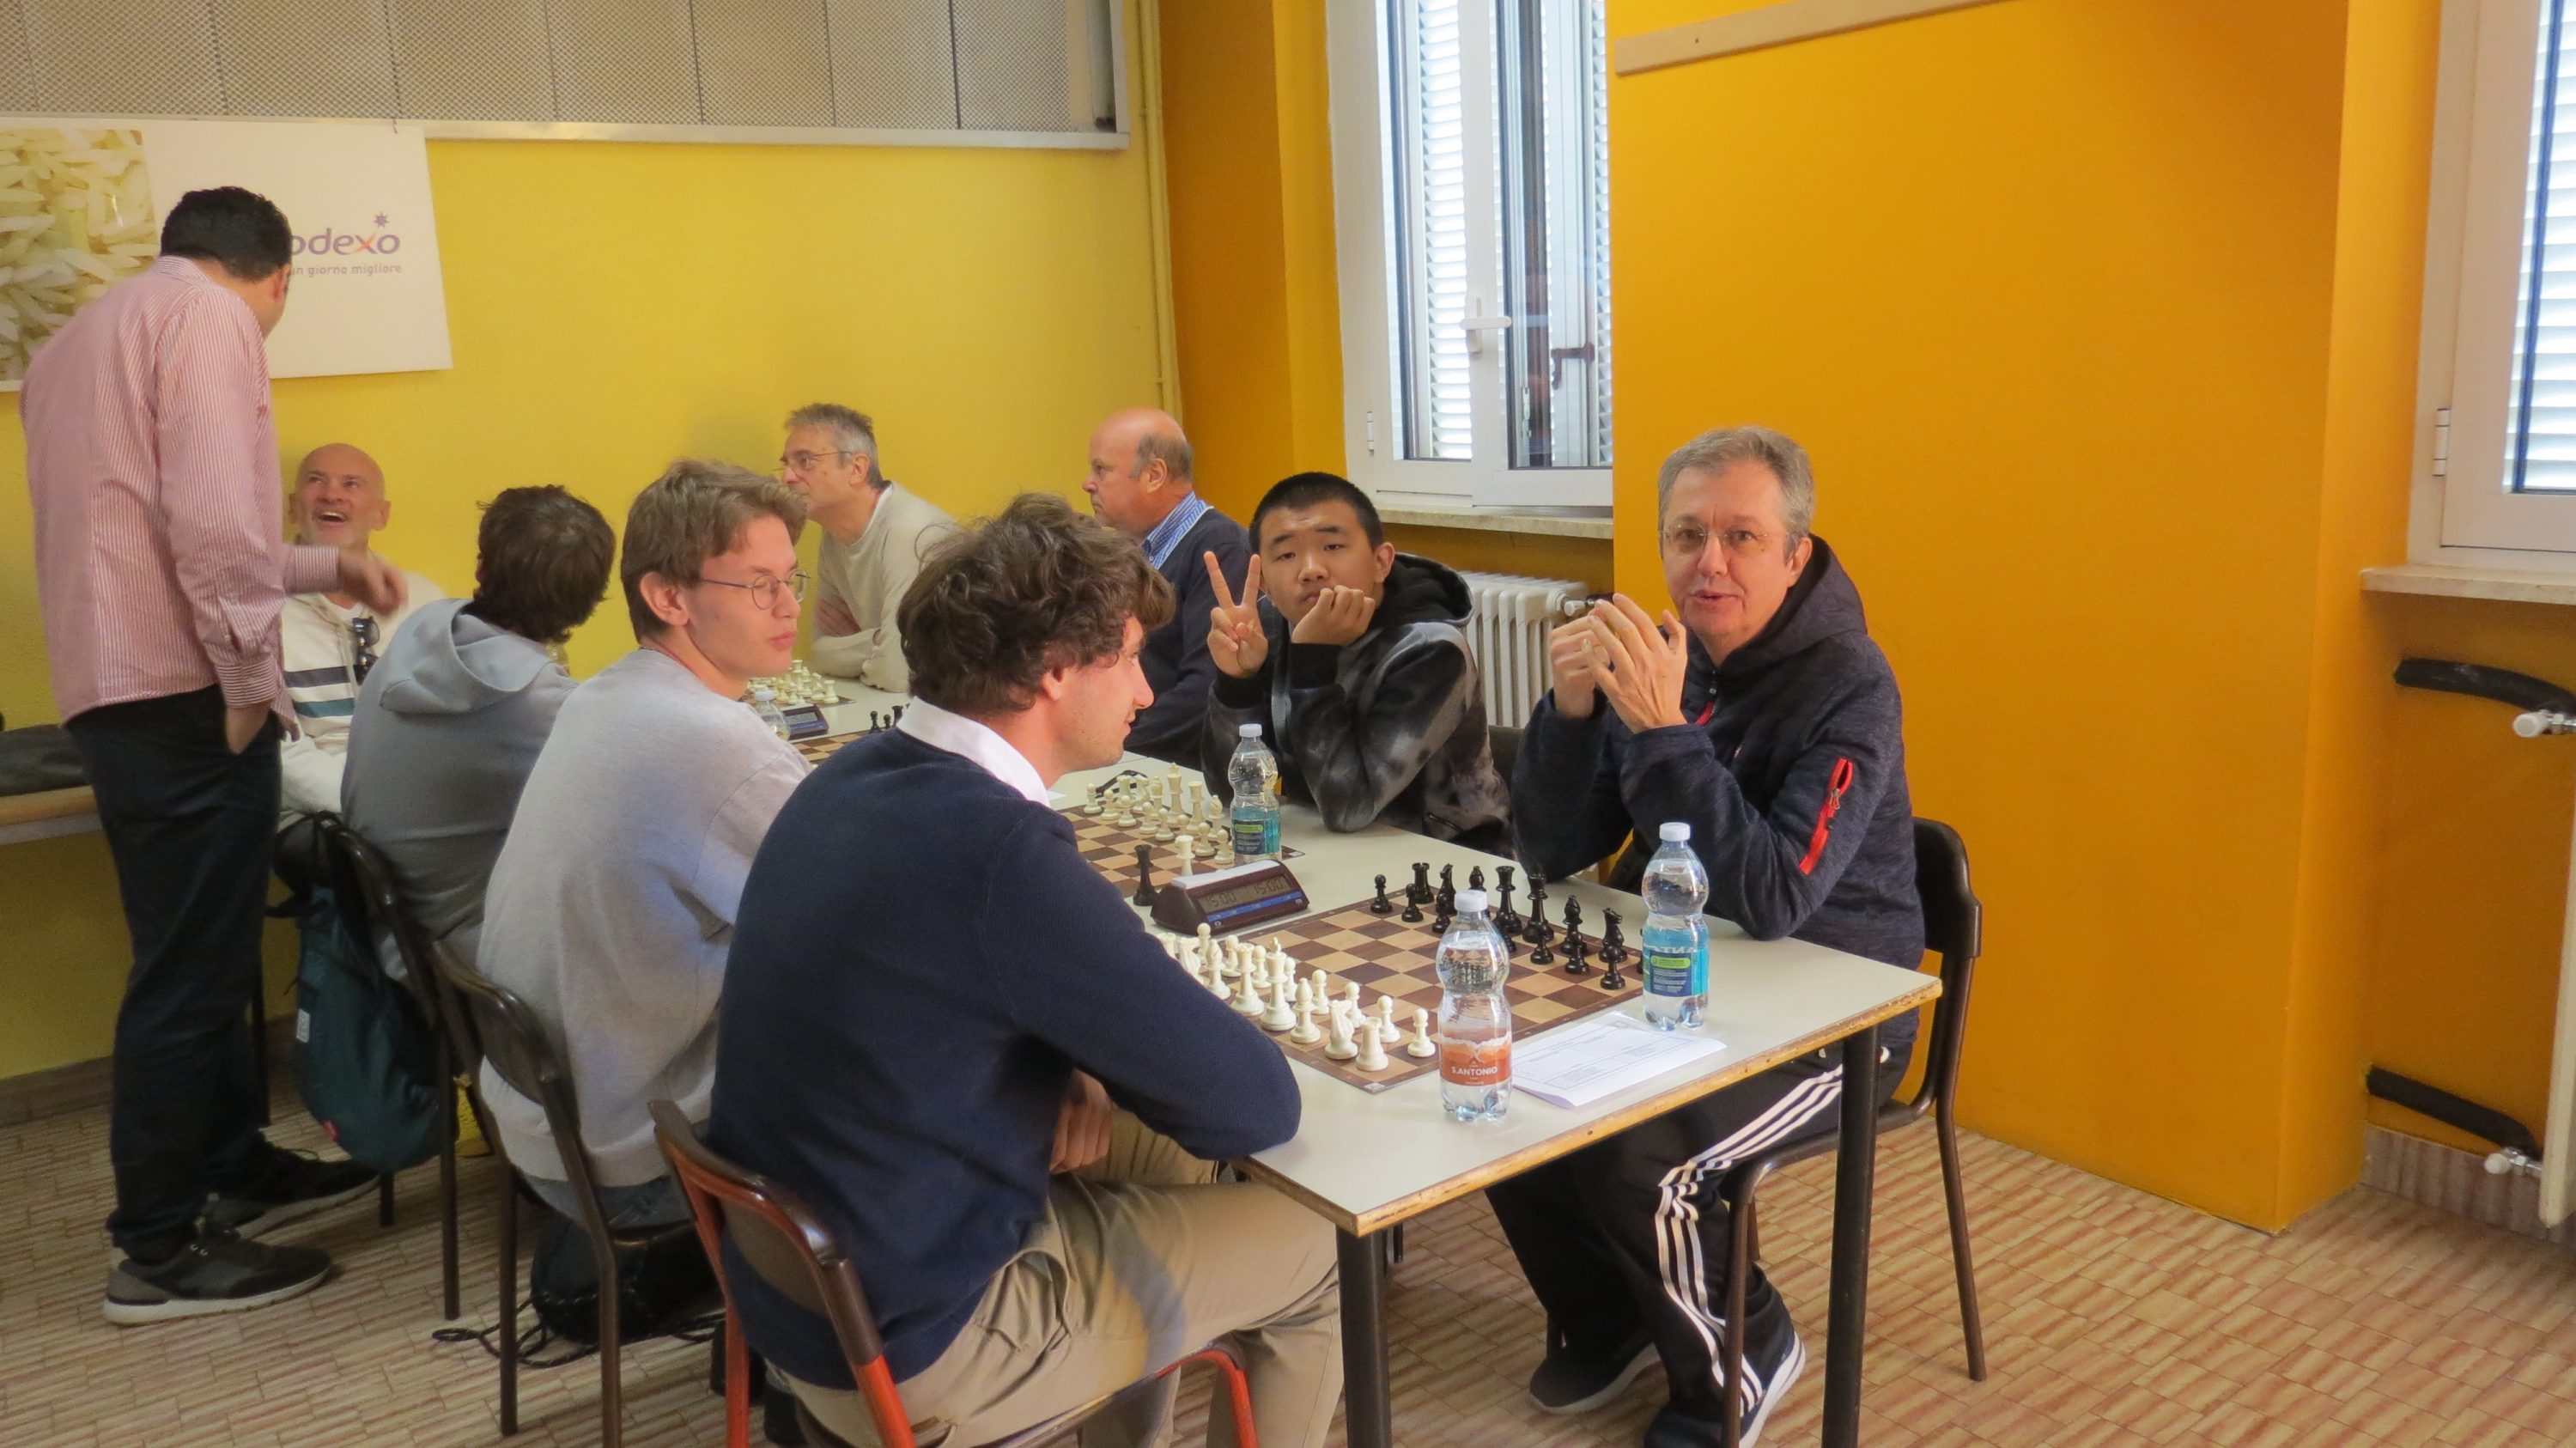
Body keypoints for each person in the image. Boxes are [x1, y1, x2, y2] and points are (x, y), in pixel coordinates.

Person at [713, 492, 1341, 1448]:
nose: (1143, 690)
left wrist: (1075, 1066)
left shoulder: (849, 777)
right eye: (1127, 659)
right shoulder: (1000, 851)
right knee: (1318, 1252)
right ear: (1053, 673)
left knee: (1168, 1156)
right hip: (924, 1345)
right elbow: (1256, 1107)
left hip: (805, 1296)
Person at [1491, 426, 1924, 1446]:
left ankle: (1743, 1353)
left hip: (1844, 1015)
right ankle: (1613, 1316)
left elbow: (1774, 897)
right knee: (1498, 1084)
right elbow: (1552, 848)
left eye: (1741, 535)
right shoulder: (1664, 661)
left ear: (1795, 555)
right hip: (1683, 981)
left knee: (1639, 1158)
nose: (1710, 562)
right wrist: (1570, 708)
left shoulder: (1852, 684)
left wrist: (1663, 732)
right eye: (1686, 535)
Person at [25, 186, 410, 1323]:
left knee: (198, 952)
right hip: (185, 693)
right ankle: (156, 1245)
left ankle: (232, 1163)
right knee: (187, 974)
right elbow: (207, 531)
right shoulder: (210, 323)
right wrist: (253, 684)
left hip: (119, 689)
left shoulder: (83, 337)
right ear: (280, 279)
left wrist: (329, 569)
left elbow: (170, 530)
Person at [474, 460, 809, 1232]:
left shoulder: (603, 692)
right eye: (758, 584)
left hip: (545, 1124)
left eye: (793, 577)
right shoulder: (716, 741)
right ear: (668, 598)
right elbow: (868, 917)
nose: (789, 605)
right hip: (636, 1158)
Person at [342, 485, 617, 970]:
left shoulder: (424, 627)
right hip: (461, 951)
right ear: (589, 605)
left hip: (389, 926)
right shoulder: (541, 706)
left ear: (481, 567)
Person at [1201, 471, 1509, 853]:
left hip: (1443, 861)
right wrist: (1238, 681)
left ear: (1381, 562)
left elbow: (1350, 808)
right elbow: (1231, 793)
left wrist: (1313, 663)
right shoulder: (1270, 626)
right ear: (1263, 580)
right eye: (1286, 554)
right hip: (1318, 844)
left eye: (1332, 546)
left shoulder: (1433, 649)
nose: (1311, 568)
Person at [276, 442, 446, 823]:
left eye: (352, 484)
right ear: (291, 506)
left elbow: (451, 725)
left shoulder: (423, 602)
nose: (332, 494)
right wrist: (378, 806)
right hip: (316, 816)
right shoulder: (258, 613)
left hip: (421, 801)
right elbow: (279, 759)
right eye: (316, 481)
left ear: (381, 515)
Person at [1082, 406, 1248, 770]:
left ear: (1154, 474)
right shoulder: (1132, 551)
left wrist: (1117, 751)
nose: (1087, 483)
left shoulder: (1218, 549)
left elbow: (1206, 686)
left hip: (1180, 770)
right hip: (1136, 758)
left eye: (1101, 470)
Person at [776, 403, 955, 691]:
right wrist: (876, 640)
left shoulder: (910, 531)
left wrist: (869, 646)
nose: (788, 477)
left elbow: (899, 674)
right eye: (786, 463)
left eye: (806, 461)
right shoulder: (834, 536)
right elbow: (819, 654)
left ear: (857, 468)